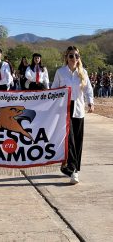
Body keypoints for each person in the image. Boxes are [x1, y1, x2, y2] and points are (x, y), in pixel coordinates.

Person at [51, 46, 94, 184]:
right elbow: (54, 90)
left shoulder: (83, 73)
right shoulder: (60, 72)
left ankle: (71, 167)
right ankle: (73, 169)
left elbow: (88, 90)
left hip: (79, 108)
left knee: (78, 139)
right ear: (66, 57)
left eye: (76, 56)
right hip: (65, 108)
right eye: (71, 56)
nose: (74, 58)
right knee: (69, 140)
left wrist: (90, 103)